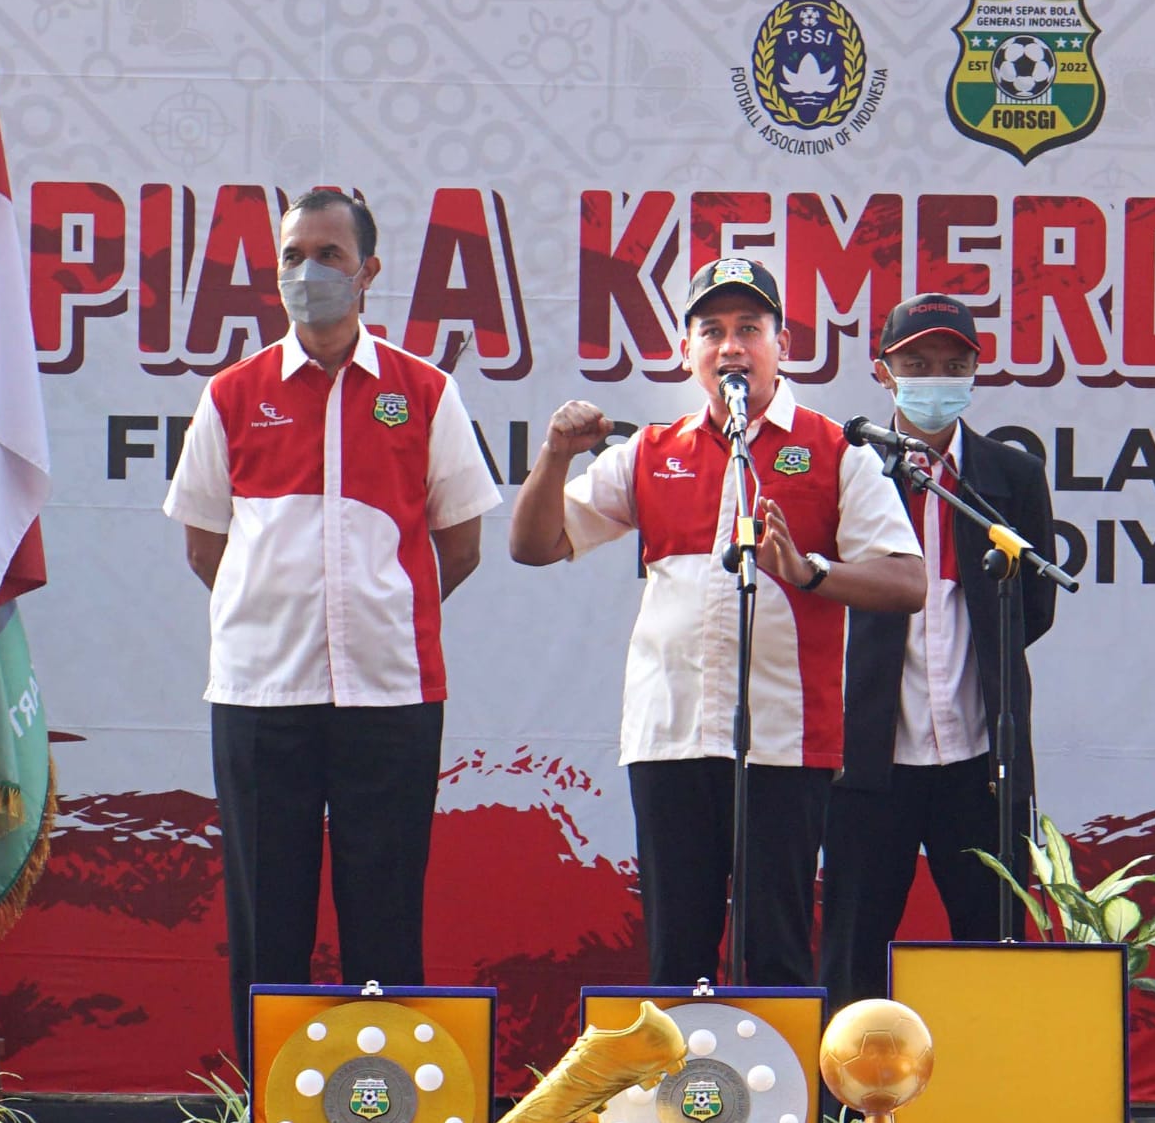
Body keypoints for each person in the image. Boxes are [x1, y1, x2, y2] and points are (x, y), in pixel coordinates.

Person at [509, 257, 925, 988]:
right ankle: (686, 1102)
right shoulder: (651, 452)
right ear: (687, 353)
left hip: (783, 741)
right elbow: (533, 545)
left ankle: (779, 1103)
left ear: (782, 344)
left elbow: (905, 579)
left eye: (748, 329)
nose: (730, 346)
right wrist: (552, 457)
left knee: (775, 950)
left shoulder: (835, 451)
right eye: (712, 331)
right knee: (676, 950)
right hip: (669, 736)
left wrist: (808, 572)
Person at [163, 189, 501, 1067]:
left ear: (368, 274)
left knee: (384, 918)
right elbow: (208, 547)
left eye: (329, 256)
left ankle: (389, 1121)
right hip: (259, 695)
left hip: (388, 695)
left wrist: (373, 614)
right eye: (292, 256)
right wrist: (284, 620)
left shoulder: (424, 393)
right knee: (265, 921)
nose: (307, 274)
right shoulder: (232, 396)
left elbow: (456, 544)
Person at [820, 292, 1057, 1015]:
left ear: (975, 371)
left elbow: (1032, 609)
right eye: (916, 364)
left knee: (990, 949)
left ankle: (986, 1111)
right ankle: (841, 1122)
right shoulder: (846, 465)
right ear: (883, 373)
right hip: (865, 765)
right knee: (852, 951)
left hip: (981, 762)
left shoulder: (1007, 475)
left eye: (952, 364)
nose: (935, 378)